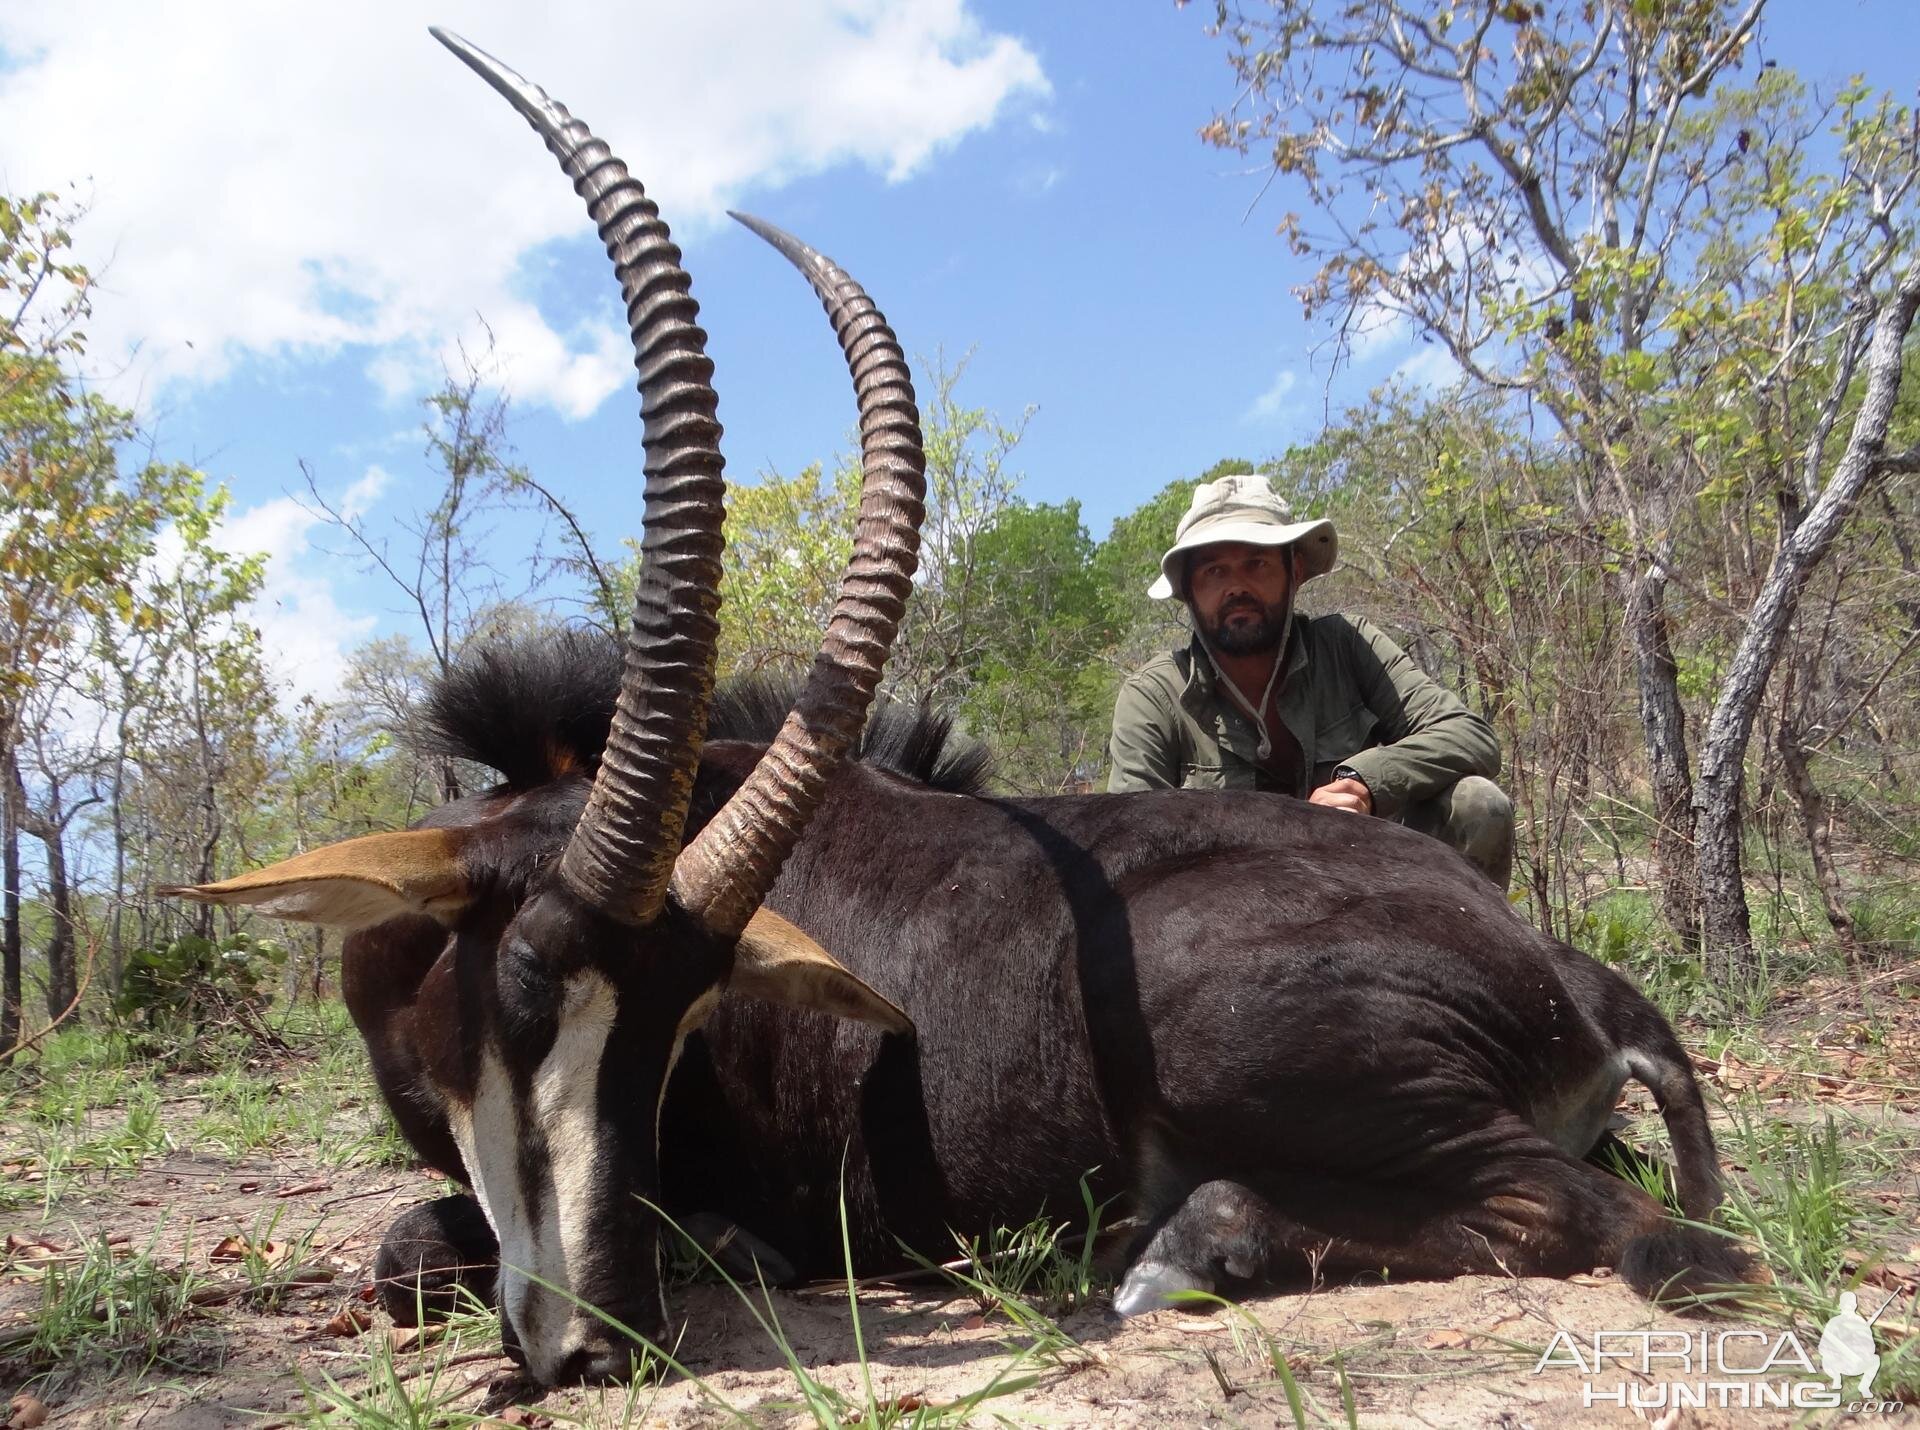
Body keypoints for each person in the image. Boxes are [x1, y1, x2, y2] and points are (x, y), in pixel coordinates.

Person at [1107, 472, 1515, 887]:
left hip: (1367, 881)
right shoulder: (1153, 696)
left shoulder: (1348, 645)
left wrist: (1365, 782)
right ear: (1188, 592)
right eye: (1213, 571)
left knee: (1478, 805)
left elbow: (1471, 735)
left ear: (1295, 570)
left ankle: (1470, 950)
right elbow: (1126, 849)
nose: (1236, 587)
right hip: (1227, 913)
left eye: (1257, 563)